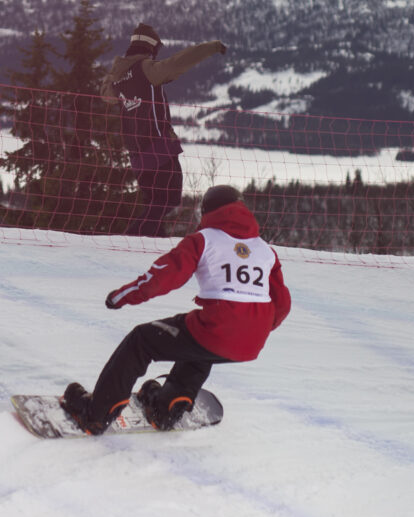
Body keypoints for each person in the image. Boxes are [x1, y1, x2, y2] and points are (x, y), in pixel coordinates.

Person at [60, 184, 290, 434]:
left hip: (218, 330)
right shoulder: (265, 250)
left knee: (141, 341)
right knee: (196, 340)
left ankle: (96, 414)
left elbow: (163, 277)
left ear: (207, 211)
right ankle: (168, 406)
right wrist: (253, 328)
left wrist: (121, 297)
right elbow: (283, 304)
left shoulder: (203, 240)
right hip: (252, 341)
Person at [101, 24, 227, 237]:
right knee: (168, 199)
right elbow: (178, 63)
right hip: (158, 145)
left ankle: (153, 241)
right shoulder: (146, 69)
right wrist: (211, 47)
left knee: (154, 202)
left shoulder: (119, 77)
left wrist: (114, 70)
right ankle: (130, 238)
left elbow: (105, 95)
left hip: (136, 153)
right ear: (152, 48)